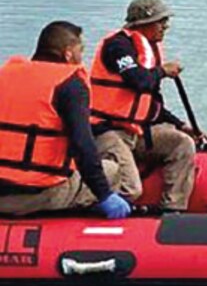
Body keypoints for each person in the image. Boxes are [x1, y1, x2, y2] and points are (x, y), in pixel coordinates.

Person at [0, 21, 131, 219]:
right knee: (111, 170)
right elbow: (83, 146)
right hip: (35, 194)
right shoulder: (70, 84)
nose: (82, 57)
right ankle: (75, 230)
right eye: (81, 50)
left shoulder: (6, 74)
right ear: (68, 53)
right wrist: (104, 195)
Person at [91, 0, 198, 214]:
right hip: (107, 131)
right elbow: (139, 80)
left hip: (135, 131)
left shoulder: (149, 50)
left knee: (182, 143)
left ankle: (171, 210)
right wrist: (162, 71)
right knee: (131, 189)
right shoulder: (118, 46)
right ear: (142, 23)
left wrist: (179, 124)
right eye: (161, 21)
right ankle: (85, 211)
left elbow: (149, 104)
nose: (165, 26)